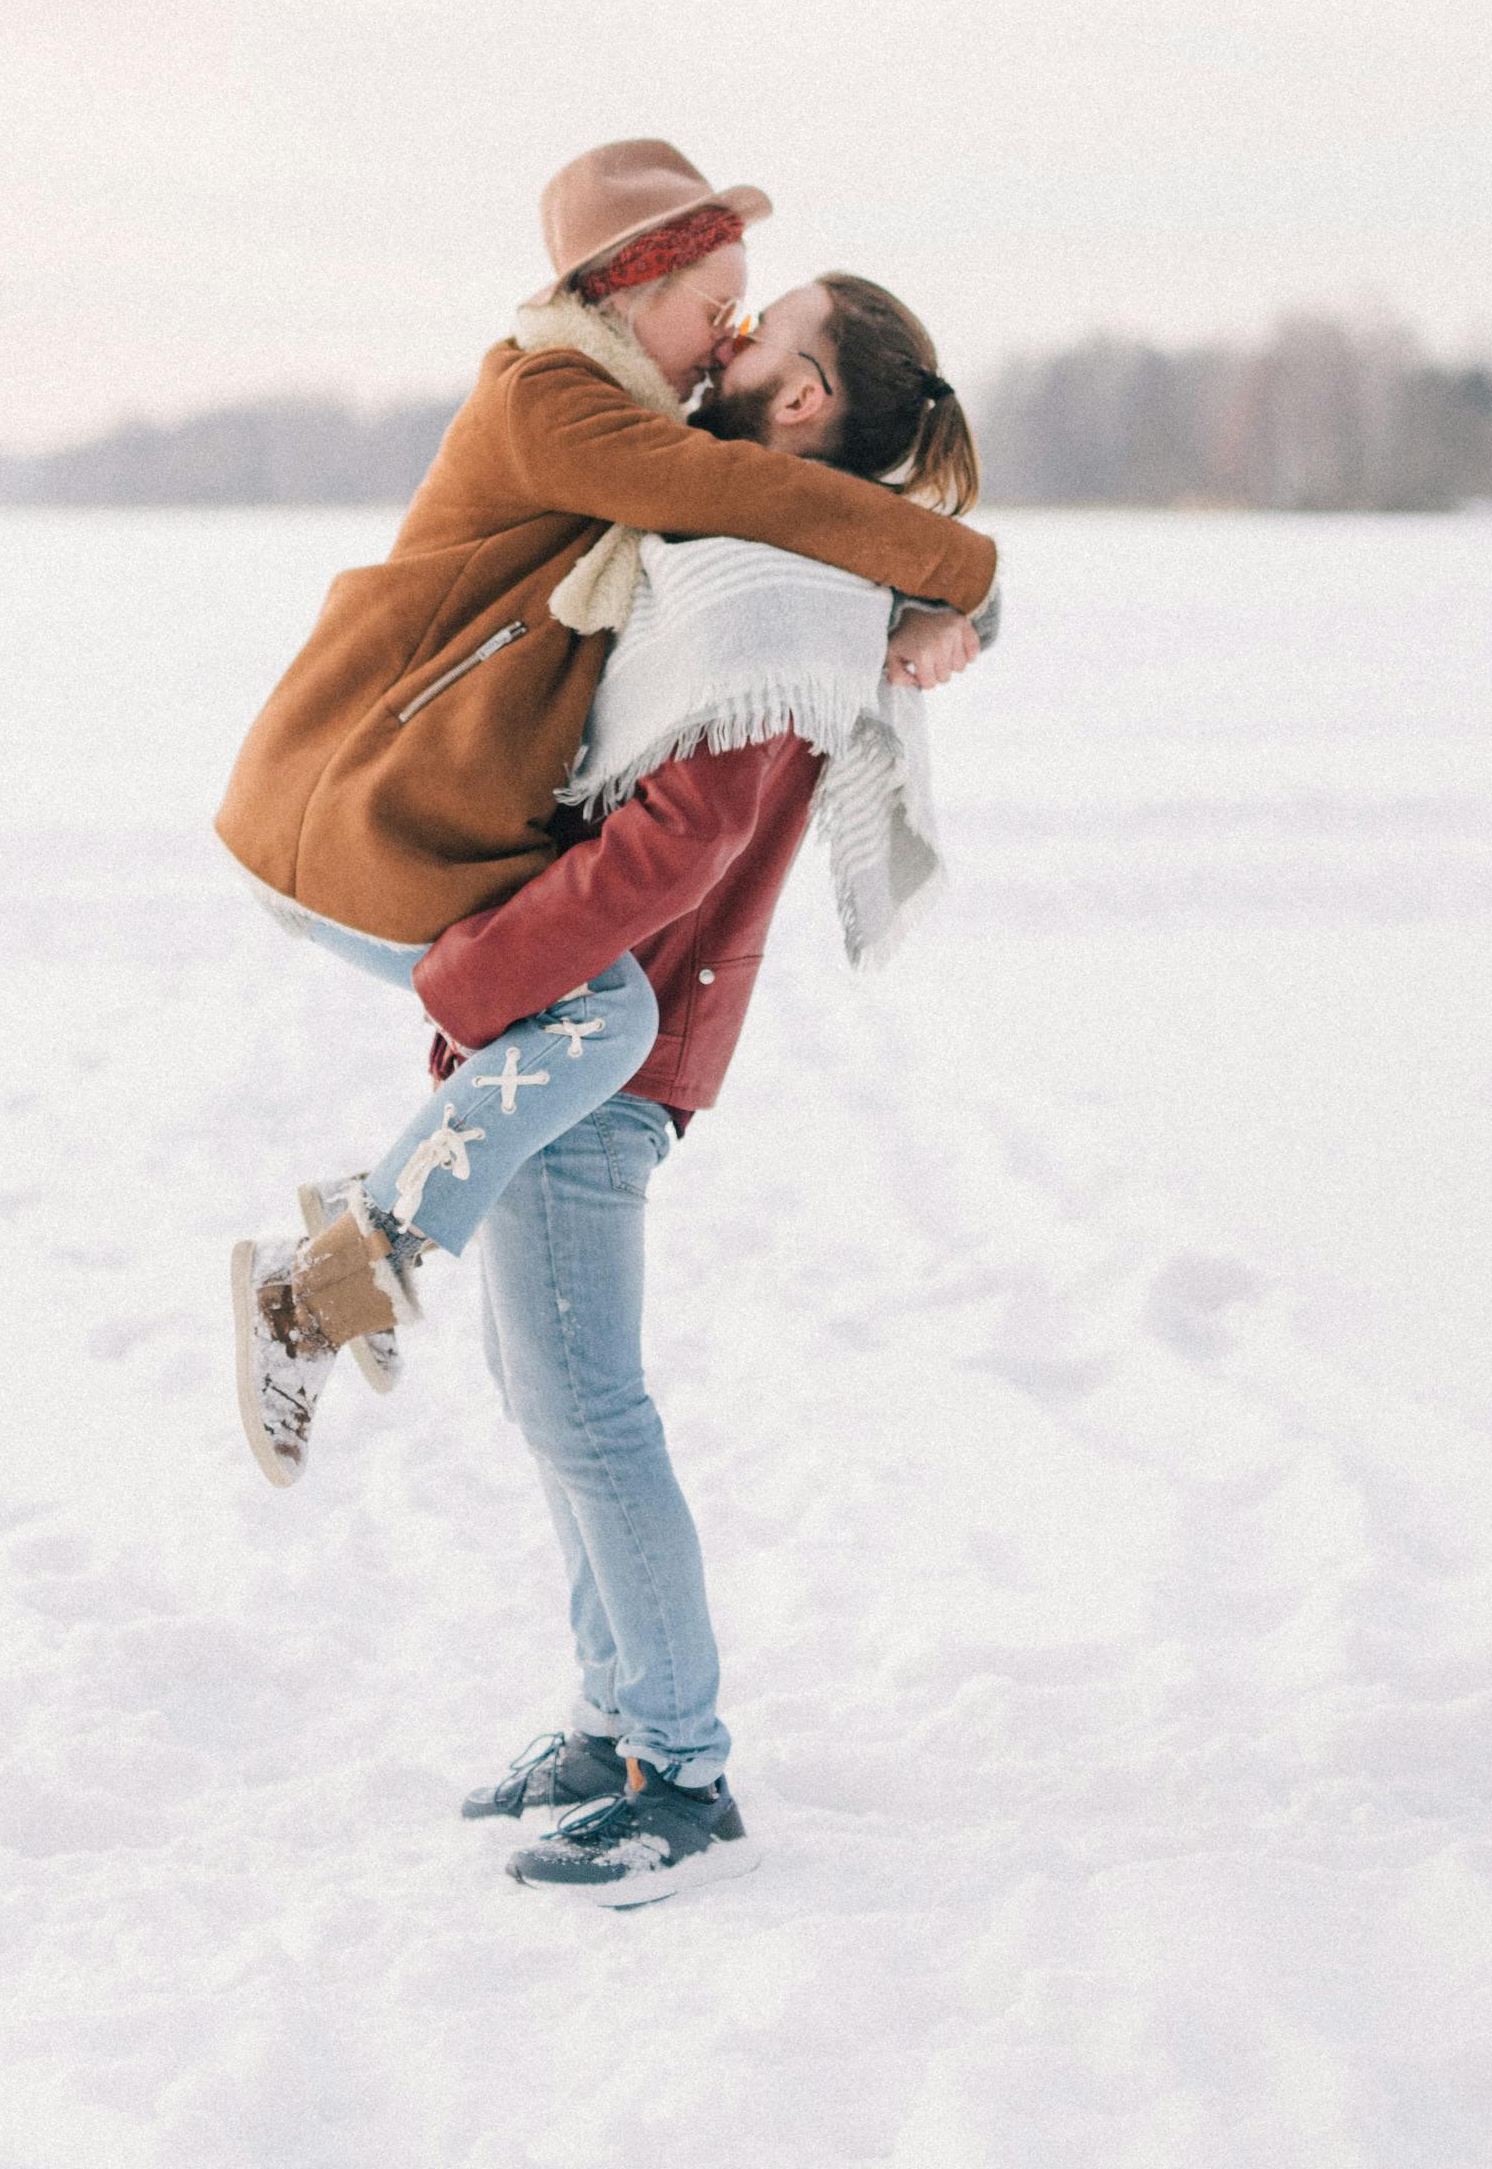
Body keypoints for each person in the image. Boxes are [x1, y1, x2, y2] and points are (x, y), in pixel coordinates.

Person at [224, 206, 989, 1905]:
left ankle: (680, 1772)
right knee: (551, 1397)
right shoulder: (762, 563)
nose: (719, 351)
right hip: (579, 1022)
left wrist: (482, 971)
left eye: (752, 336)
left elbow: (669, 858)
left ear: (800, 407)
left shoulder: (771, 610)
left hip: (605, 1032)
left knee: (590, 1413)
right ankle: (611, 1715)